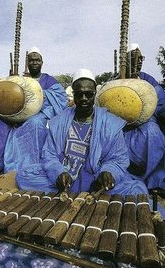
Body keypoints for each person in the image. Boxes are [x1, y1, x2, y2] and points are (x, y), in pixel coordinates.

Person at [16, 69, 148, 196]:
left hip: (96, 179)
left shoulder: (110, 124)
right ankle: (71, 190)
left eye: (89, 94)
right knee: (24, 175)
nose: (84, 98)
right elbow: (49, 155)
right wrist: (58, 172)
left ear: (95, 94)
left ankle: (85, 194)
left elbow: (118, 158)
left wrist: (108, 172)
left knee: (136, 190)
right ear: (73, 94)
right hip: (66, 176)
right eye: (79, 94)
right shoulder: (59, 121)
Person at [0, 47, 68, 179]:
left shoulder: (49, 81)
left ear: (42, 62)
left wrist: (40, 93)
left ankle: (28, 168)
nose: (34, 63)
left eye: (37, 60)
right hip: (16, 114)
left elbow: (61, 100)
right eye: (31, 60)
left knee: (35, 122)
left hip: (39, 114)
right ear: (27, 63)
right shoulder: (19, 79)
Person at [123, 44, 165, 189]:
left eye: (141, 58)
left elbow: (161, 103)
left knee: (153, 133)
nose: (139, 61)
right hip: (122, 127)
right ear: (126, 60)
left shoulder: (148, 80)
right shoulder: (116, 79)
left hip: (147, 124)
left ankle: (152, 178)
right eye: (135, 58)